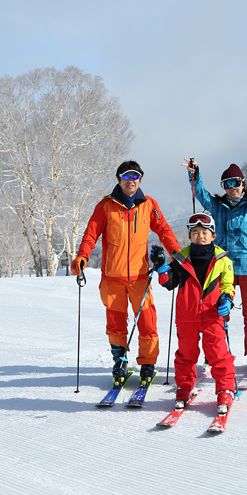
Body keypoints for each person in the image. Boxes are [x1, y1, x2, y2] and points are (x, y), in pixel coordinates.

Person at [70, 161, 181, 388]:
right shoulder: (105, 206)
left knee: (148, 322)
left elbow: (164, 230)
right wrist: (82, 256)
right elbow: (91, 234)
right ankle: (119, 361)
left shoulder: (149, 205)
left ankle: (148, 364)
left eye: (136, 176)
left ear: (140, 180)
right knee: (115, 324)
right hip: (113, 278)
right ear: (119, 179)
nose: (131, 180)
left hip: (140, 276)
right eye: (126, 176)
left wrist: (178, 254)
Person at [182, 157, 247, 370]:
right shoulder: (217, 207)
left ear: (243, 183)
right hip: (221, 266)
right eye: (227, 184)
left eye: (235, 183)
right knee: (218, 311)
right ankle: (215, 352)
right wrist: (195, 175)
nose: (232, 188)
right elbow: (200, 194)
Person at [151, 212, 236, 413]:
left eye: (205, 232)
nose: (200, 236)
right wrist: (162, 268)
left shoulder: (223, 259)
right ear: (189, 236)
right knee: (186, 355)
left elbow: (228, 284)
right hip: (186, 316)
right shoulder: (181, 259)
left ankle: (225, 388)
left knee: (218, 354)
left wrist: (227, 299)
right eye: (195, 232)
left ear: (213, 235)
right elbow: (169, 282)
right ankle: (184, 387)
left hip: (212, 315)